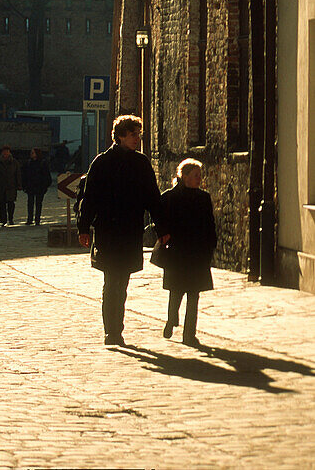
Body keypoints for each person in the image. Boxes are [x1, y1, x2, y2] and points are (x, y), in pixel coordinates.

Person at [77, 114, 168, 346]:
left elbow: (152, 197)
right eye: (132, 134)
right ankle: (112, 331)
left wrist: (162, 227)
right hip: (108, 230)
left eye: (138, 134)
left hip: (129, 230)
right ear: (120, 136)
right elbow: (89, 198)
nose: (137, 138)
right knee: (111, 281)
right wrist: (83, 227)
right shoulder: (102, 162)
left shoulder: (141, 163)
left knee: (122, 282)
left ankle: (117, 328)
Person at [159, 158, 217, 348]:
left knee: (194, 295)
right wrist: (163, 234)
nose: (199, 179)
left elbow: (209, 224)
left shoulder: (203, 197)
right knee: (176, 292)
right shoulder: (169, 197)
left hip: (198, 253)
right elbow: (160, 221)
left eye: (200, 176)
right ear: (183, 176)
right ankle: (171, 321)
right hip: (177, 252)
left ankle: (189, 334)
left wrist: (210, 245)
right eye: (195, 176)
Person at [0, 145, 21, 227]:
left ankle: (10, 218)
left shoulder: (14, 162)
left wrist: (19, 185)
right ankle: (3, 220)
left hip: (11, 186)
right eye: (4, 151)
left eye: (7, 151)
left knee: (11, 204)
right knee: (2, 204)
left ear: (9, 152)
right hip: (1, 186)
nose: (5, 153)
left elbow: (17, 174)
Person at [22, 147, 51, 225]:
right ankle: (30, 219)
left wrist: (45, 186)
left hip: (39, 187)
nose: (31, 154)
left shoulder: (42, 163)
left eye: (33, 153)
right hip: (30, 186)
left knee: (38, 203)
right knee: (30, 203)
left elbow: (46, 175)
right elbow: (24, 175)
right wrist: (24, 185)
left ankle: (37, 219)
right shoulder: (28, 163)